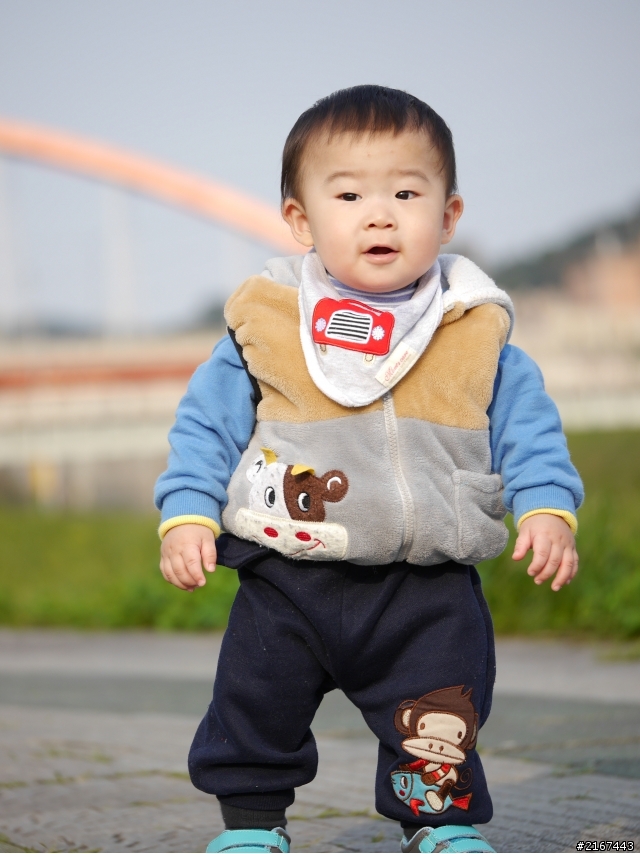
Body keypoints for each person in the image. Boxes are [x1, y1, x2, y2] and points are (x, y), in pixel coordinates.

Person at [155, 85, 583, 854]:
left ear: (447, 216)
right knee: (256, 701)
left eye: (407, 194)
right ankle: (252, 826)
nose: (379, 215)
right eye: (349, 195)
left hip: (426, 582)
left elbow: (528, 428)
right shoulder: (270, 322)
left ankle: (439, 826)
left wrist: (547, 504)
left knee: (440, 716)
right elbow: (205, 426)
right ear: (300, 220)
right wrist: (186, 513)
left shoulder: (470, 326)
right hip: (289, 572)